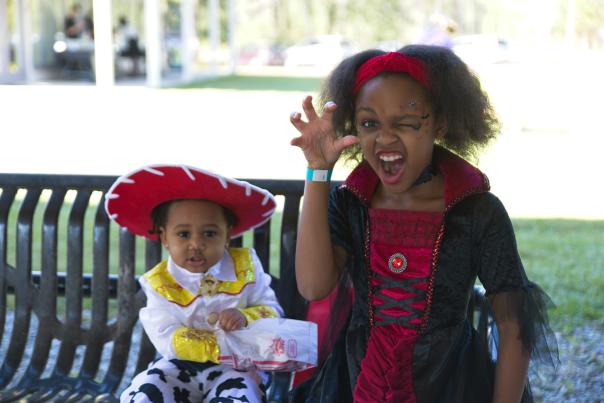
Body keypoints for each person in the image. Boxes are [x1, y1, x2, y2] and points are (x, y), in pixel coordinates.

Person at [288, 45, 557, 402]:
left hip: (450, 384)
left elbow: (512, 326)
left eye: (407, 123)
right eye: (370, 123)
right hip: (356, 382)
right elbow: (312, 286)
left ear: (440, 124)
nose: (385, 138)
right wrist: (318, 171)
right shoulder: (350, 204)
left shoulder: (477, 212)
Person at [105, 164, 317, 403]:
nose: (196, 244)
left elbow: (272, 309)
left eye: (209, 233)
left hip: (238, 365)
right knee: (146, 390)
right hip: (178, 366)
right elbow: (163, 332)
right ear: (164, 237)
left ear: (228, 234)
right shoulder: (159, 283)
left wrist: (245, 316)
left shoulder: (245, 267)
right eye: (183, 234)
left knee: (240, 395)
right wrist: (213, 344)